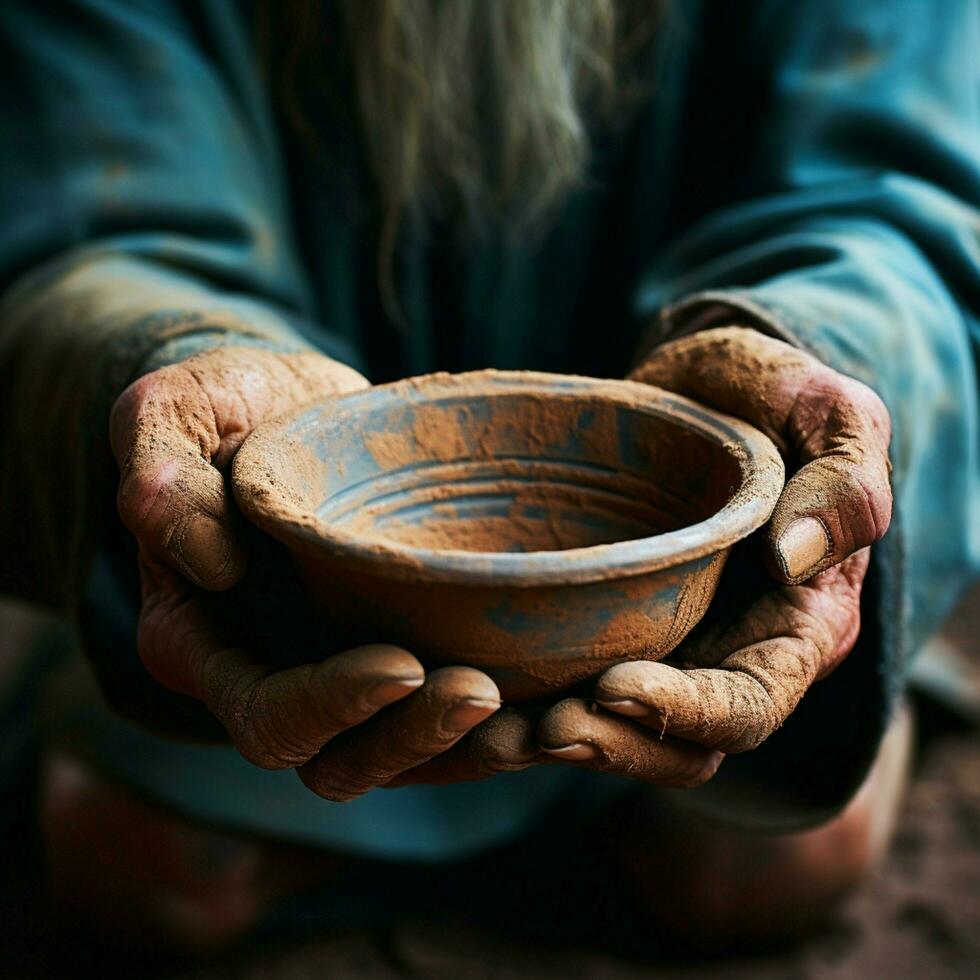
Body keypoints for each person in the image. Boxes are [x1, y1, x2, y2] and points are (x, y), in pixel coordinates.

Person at [1, 0, 977, 955]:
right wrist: (182, 358)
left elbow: (891, 190)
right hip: (303, 583)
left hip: (694, 570)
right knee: (143, 865)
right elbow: (98, 208)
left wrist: (803, 349)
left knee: (766, 864)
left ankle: (820, 662)